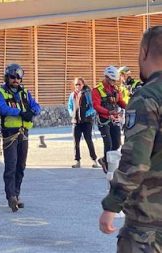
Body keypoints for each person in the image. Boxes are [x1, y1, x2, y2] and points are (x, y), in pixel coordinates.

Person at [99, 26, 162, 252]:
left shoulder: (148, 96)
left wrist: (112, 204)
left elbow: (137, 161)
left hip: (150, 226)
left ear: (144, 52)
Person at [0, 63, 41, 212]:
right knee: (11, 165)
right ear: (7, 77)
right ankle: (11, 197)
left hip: (24, 133)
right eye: (13, 77)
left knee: (21, 165)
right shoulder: (0, 93)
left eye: (18, 77)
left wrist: (32, 112)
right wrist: (20, 112)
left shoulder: (26, 93)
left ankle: (17, 193)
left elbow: (37, 106)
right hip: (10, 133)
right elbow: (1, 108)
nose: (16, 80)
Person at [92, 66, 127, 172]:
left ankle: (104, 160)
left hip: (114, 119)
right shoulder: (97, 90)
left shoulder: (116, 89)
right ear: (106, 77)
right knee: (108, 142)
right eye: (112, 80)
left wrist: (131, 107)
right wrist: (108, 112)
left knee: (116, 143)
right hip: (103, 120)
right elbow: (96, 106)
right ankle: (108, 165)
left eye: (115, 80)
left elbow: (120, 102)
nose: (113, 82)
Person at [67, 77, 100, 168]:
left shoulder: (88, 94)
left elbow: (93, 106)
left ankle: (94, 160)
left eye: (79, 84)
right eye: (76, 84)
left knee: (89, 141)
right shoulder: (72, 95)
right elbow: (69, 106)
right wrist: (71, 113)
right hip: (76, 122)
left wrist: (87, 113)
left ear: (83, 85)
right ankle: (77, 161)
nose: (77, 86)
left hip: (86, 122)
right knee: (75, 142)